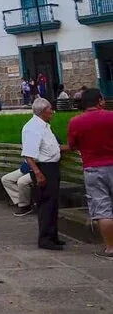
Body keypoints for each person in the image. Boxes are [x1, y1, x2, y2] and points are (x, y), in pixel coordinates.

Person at [67, 88, 113, 259]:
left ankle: (110, 248)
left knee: (103, 209)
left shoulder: (75, 122)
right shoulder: (111, 116)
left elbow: (72, 145)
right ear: (99, 101)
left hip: (93, 169)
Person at [22, 97, 66, 250]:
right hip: (43, 168)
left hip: (52, 167)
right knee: (46, 204)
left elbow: (52, 147)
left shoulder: (45, 126)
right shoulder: (33, 128)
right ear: (43, 111)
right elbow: (29, 154)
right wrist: (38, 173)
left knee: (53, 203)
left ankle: (53, 235)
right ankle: (45, 238)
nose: (52, 112)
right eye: (50, 109)